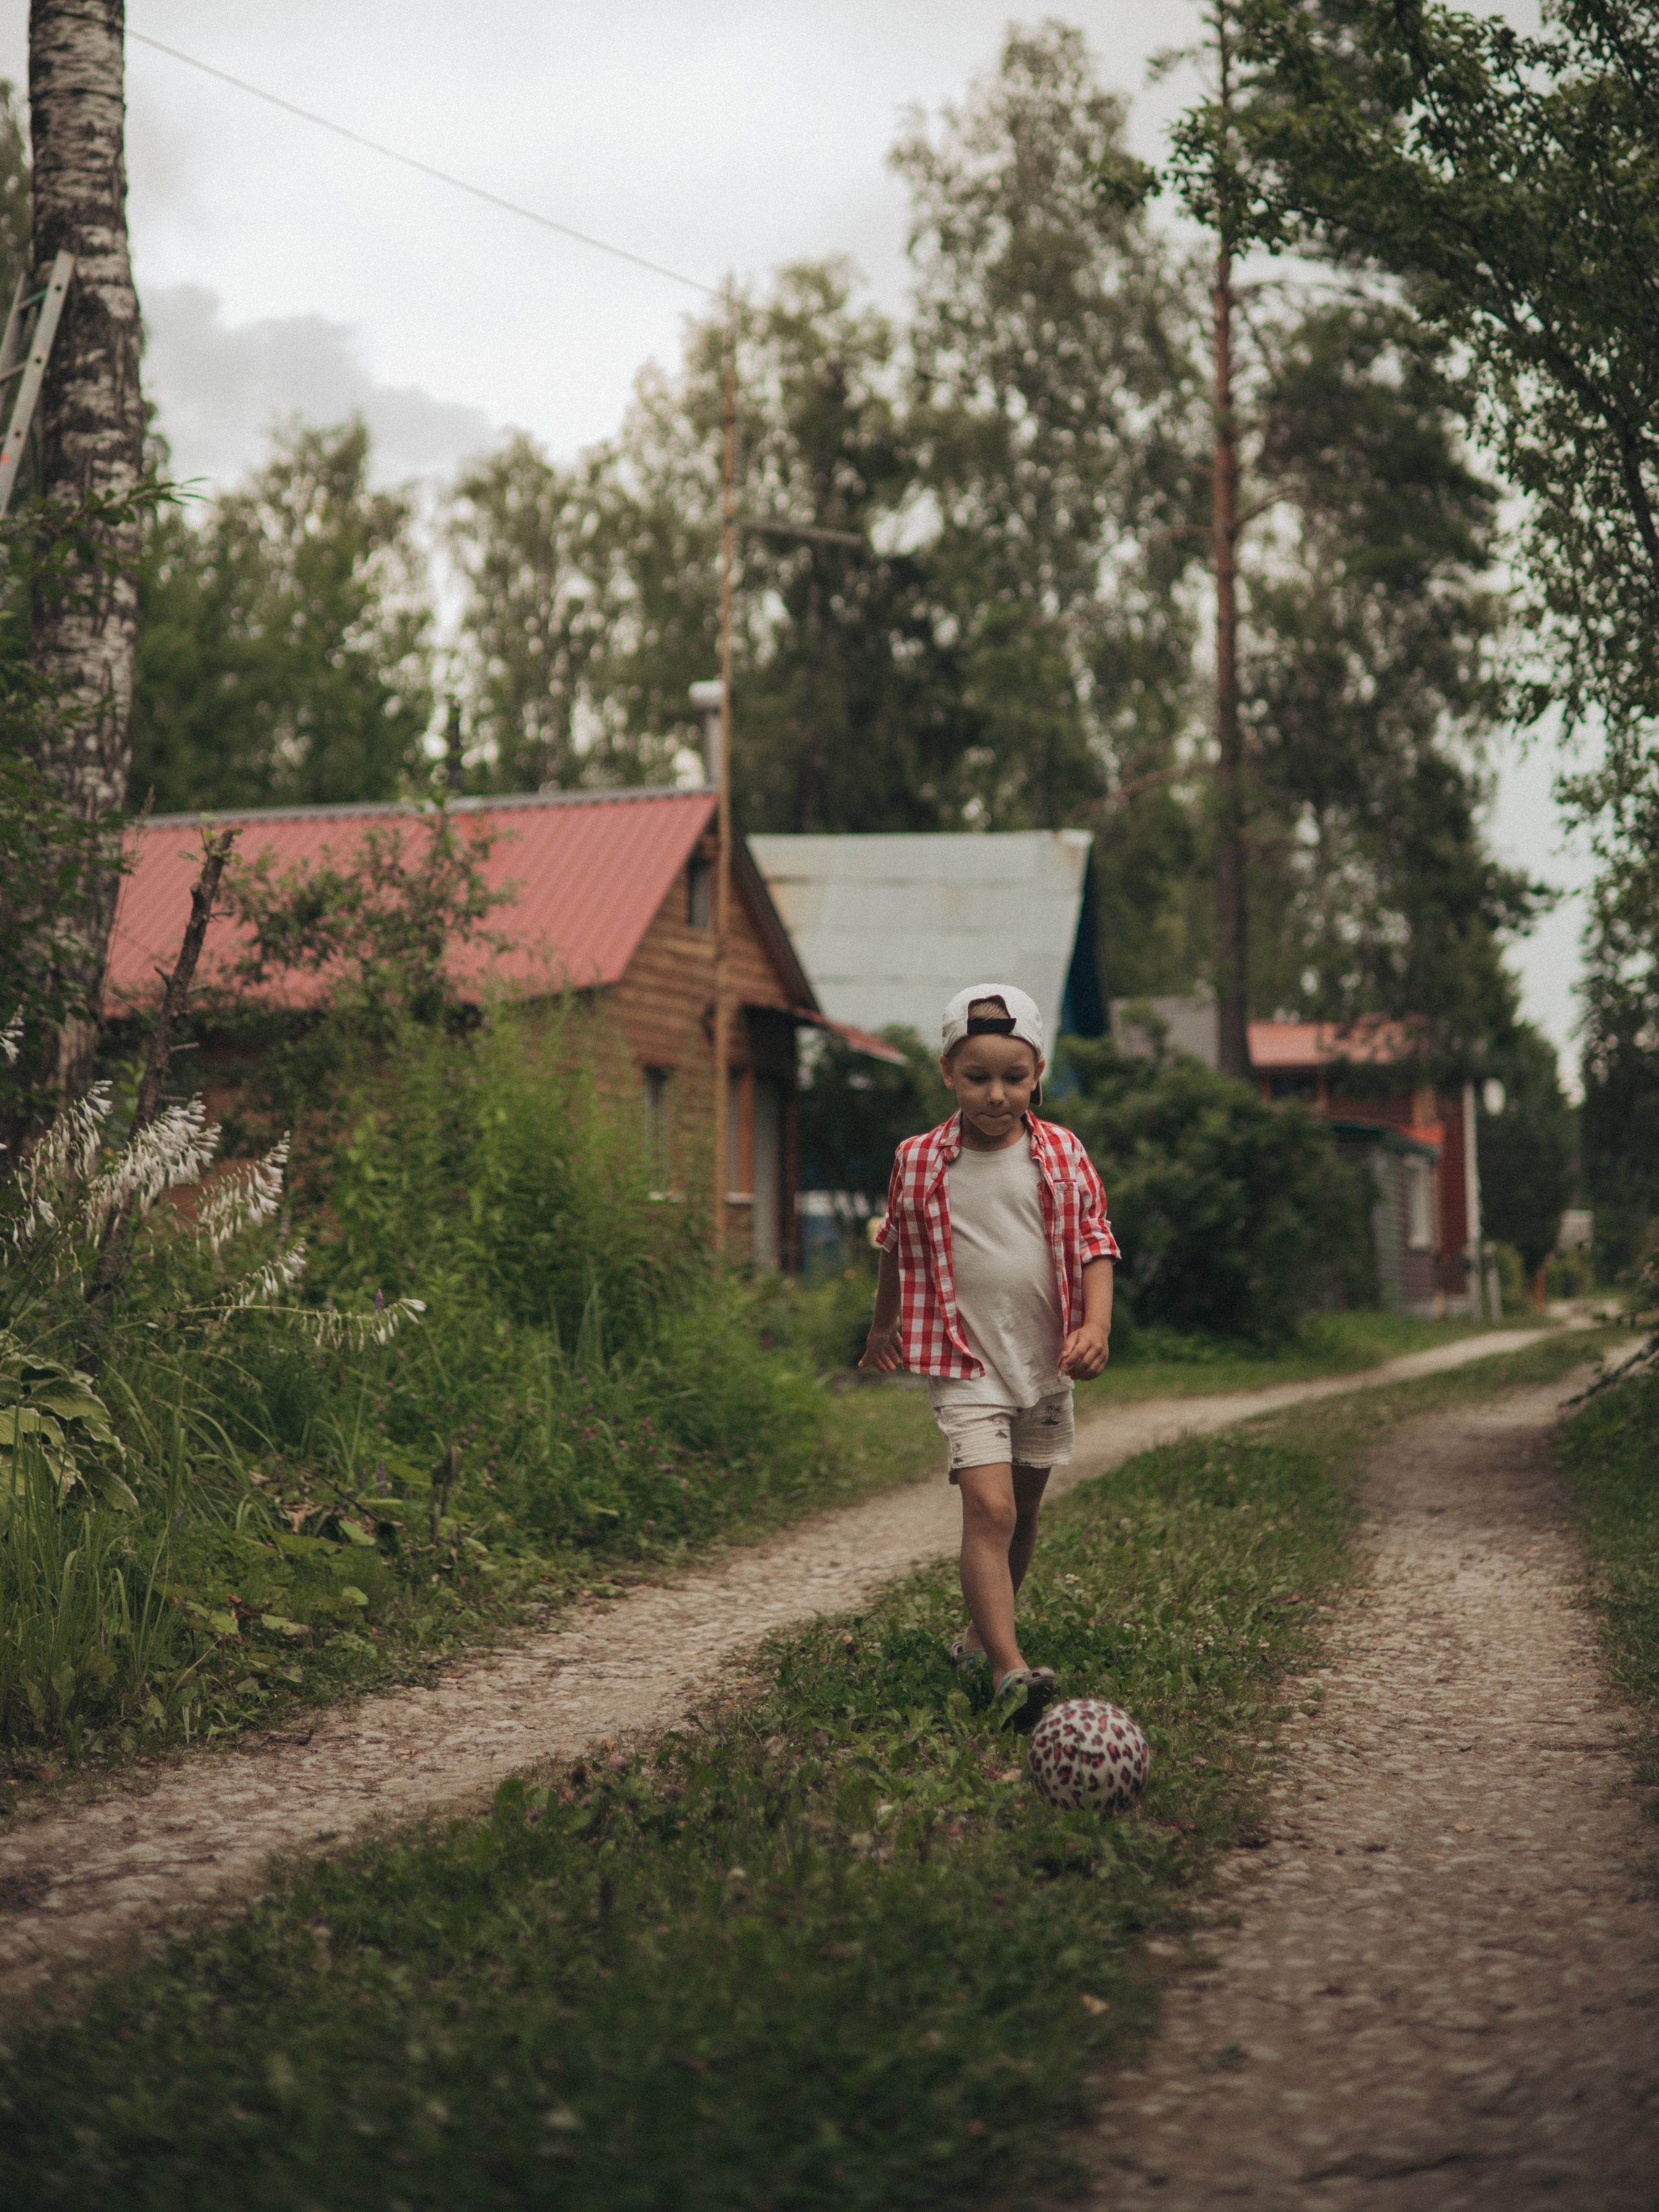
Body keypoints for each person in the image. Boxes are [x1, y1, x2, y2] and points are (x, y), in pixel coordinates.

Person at [861, 984, 1118, 1724]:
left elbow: (1096, 1242)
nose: (996, 1094)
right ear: (948, 1071)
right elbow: (896, 1244)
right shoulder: (918, 1160)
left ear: (1038, 1073)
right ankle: (1010, 1670)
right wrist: (883, 1326)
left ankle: (977, 1638)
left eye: (1014, 1076)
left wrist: (1097, 1326)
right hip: (962, 1362)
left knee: (1024, 1510)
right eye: (977, 1077)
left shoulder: (1063, 1153)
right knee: (991, 1507)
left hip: (1043, 1362)